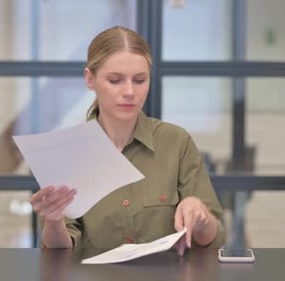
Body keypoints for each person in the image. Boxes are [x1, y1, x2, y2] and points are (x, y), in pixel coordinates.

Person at [29, 26, 224, 256]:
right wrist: (53, 222)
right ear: (90, 79)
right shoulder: (66, 153)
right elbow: (61, 253)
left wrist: (200, 216)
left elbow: (215, 239)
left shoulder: (176, 142)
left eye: (140, 80)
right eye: (115, 80)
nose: (130, 91)